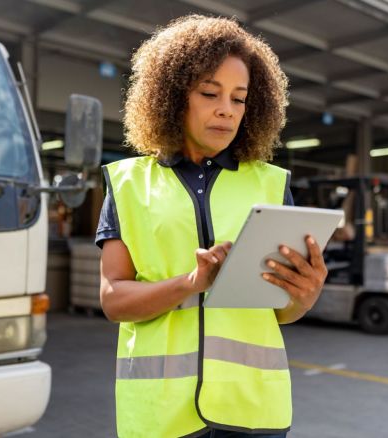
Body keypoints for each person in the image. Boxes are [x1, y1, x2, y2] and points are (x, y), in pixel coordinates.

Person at [96, 15, 328, 438]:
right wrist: (191, 282)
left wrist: (304, 296)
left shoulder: (271, 185)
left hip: (253, 410)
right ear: (171, 96)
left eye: (239, 99)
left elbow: (283, 312)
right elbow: (113, 300)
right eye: (209, 93)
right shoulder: (128, 184)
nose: (226, 108)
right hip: (160, 414)